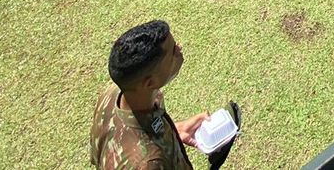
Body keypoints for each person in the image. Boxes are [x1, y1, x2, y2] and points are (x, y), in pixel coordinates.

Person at [90, 20, 237, 170]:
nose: (179, 49)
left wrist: (175, 131)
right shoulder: (148, 164)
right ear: (149, 83)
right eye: (172, 51)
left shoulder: (115, 94)